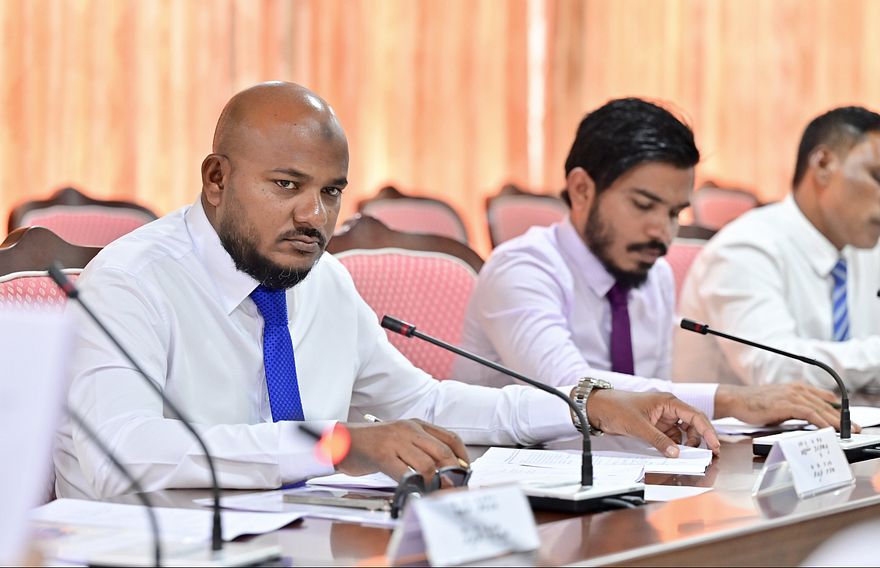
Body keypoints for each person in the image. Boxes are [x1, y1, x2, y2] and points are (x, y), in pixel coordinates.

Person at [55, 83, 722, 500]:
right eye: (286, 186)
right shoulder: (131, 280)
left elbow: (425, 403)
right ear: (216, 179)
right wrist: (339, 445)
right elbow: (122, 455)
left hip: (297, 541)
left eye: (331, 192)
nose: (314, 216)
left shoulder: (324, 281)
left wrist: (588, 406)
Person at [455, 98, 843, 430]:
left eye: (674, 213)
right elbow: (575, 389)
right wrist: (732, 400)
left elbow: (656, 402)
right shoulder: (521, 269)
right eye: (643, 206)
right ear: (582, 189)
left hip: (622, 473)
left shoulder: (654, 274)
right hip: (515, 481)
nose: (662, 231)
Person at [674, 106, 880, 389]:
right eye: (877, 176)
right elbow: (776, 371)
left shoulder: (866, 250)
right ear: (823, 164)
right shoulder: (744, 248)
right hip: (731, 420)